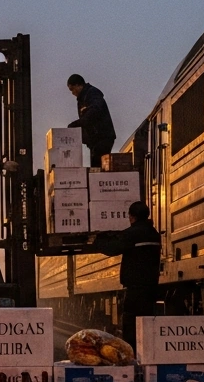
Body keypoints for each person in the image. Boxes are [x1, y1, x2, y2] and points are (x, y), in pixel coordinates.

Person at [111, 201, 162, 344]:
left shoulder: (132, 234)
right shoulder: (154, 234)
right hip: (152, 287)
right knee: (146, 322)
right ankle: (146, 350)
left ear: (132, 216)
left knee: (131, 322)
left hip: (135, 288)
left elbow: (112, 249)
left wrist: (97, 240)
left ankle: (133, 353)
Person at [67, 74, 116, 168]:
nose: (72, 93)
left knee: (97, 167)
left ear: (78, 85)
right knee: (95, 168)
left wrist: (77, 124)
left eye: (72, 89)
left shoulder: (92, 94)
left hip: (102, 137)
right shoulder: (83, 98)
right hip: (95, 139)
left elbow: (94, 111)